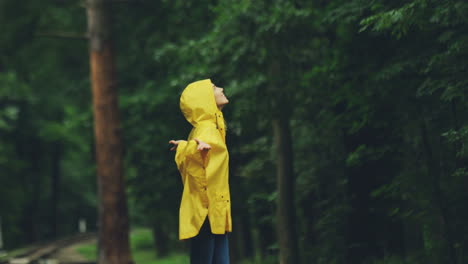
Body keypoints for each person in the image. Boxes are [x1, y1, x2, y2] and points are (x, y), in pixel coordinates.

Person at [169, 79, 232, 264]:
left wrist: (186, 145)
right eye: (214, 88)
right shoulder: (206, 130)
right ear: (204, 100)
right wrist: (190, 148)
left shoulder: (210, 128)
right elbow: (192, 164)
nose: (220, 88)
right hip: (206, 212)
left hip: (215, 211)